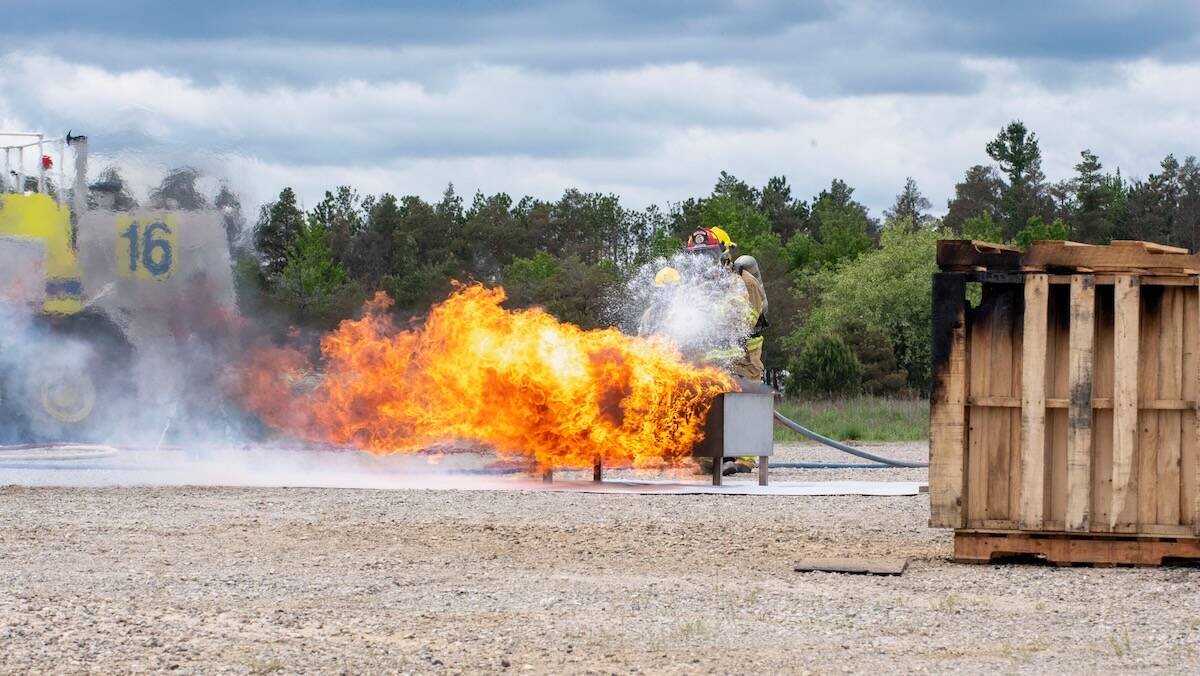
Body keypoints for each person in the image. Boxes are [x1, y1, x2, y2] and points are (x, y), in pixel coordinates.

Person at [684, 227, 769, 475]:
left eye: (708, 255)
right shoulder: (699, 287)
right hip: (712, 355)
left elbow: (746, 320)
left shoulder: (744, 282)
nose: (702, 263)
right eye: (696, 257)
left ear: (724, 253)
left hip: (744, 355)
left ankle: (744, 458)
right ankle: (714, 454)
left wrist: (714, 325)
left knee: (744, 400)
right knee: (709, 402)